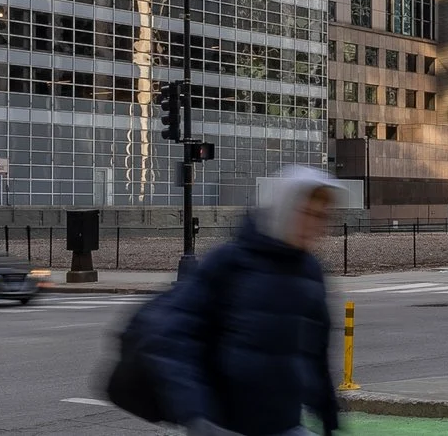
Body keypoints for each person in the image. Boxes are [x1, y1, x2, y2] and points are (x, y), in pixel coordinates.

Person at [147, 166, 345, 436]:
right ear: (284, 209)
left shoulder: (311, 271)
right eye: (307, 213)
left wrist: (327, 411)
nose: (315, 225)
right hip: (223, 425)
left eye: (322, 216)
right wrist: (196, 414)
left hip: (284, 423)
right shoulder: (229, 262)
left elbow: (316, 350)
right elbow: (176, 338)